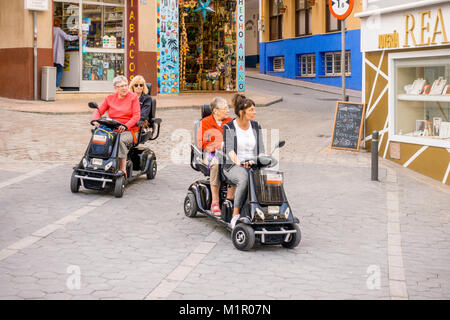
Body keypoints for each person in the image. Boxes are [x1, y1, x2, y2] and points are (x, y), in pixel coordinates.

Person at [222, 95, 265, 229]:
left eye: (254, 109)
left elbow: (261, 149)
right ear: (242, 112)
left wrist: (263, 158)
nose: (254, 112)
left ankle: (266, 211)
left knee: (269, 178)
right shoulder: (229, 127)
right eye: (251, 110)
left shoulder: (256, 126)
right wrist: (239, 162)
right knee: (244, 178)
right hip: (233, 165)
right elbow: (229, 150)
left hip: (253, 164)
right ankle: (235, 215)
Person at [92, 76, 141, 177]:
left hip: (129, 130)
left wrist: (126, 126)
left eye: (125, 85)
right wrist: (95, 120)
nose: (124, 88)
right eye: (121, 86)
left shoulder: (133, 97)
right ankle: (96, 162)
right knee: (98, 136)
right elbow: (98, 111)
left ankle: (122, 169)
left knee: (120, 140)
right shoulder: (109, 98)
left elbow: (136, 116)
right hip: (112, 128)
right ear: (115, 88)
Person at [197, 97, 233, 216]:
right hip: (210, 153)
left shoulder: (230, 121)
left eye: (228, 107)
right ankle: (215, 202)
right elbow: (201, 143)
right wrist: (219, 145)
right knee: (216, 164)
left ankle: (230, 198)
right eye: (225, 108)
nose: (228, 110)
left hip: (228, 153)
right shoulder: (205, 122)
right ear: (215, 111)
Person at [53, 18, 80, 91]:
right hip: (58, 54)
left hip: (52, 54)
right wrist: (78, 36)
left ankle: (52, 85)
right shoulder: (59, 30)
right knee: (60, 70)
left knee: (53, 70)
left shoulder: (51, 30)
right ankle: (56, 86)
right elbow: (68, 38)